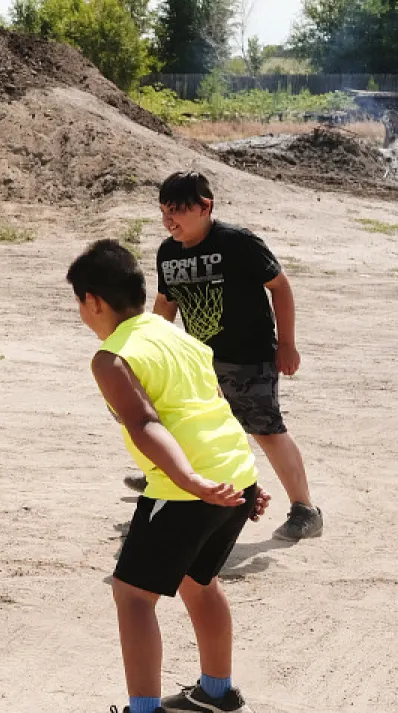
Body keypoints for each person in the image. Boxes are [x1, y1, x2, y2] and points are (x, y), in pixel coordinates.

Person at [69, 240, 271, 713]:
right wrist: (246, 479)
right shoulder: (178, 338)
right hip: (233, 475)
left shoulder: (113, 356)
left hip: (192, 487)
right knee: (199, 581)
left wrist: (191, 481)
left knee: (132, 594)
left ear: (93, 301)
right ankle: (217, 692)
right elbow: (214, 410)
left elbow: (145, 423)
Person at [130, 171, 323, 541]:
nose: (169, 220)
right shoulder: (168, 252)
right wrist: (150, 350)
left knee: (265, 430)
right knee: (189, 424)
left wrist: (287, 344)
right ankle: (169, 484)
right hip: (200, 362)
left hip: (250, 357)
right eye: (164, 212)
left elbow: (280, 287)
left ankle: (305, 509)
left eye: (178, 212)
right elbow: (166, 304)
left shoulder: (238, 243)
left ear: (206, 207)